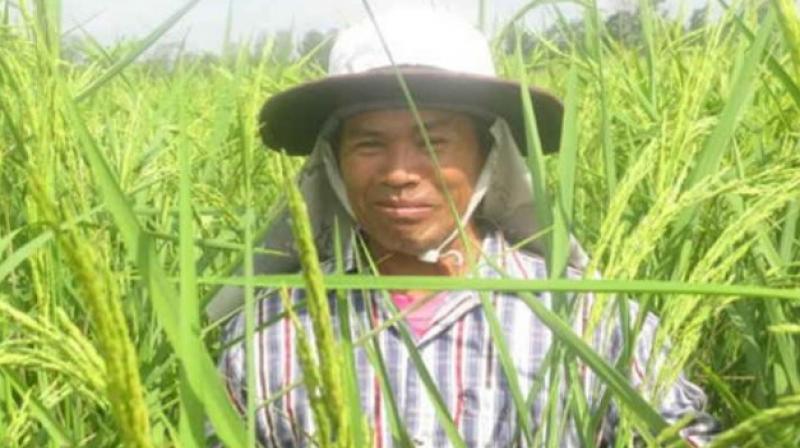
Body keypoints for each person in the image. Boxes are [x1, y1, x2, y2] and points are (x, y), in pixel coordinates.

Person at [212, 7, 719, 447]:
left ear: (490, 159)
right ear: (334, 164)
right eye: (368, 144)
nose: (399, 174)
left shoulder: (590, 321)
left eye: (433, 142)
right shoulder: (271, 328)